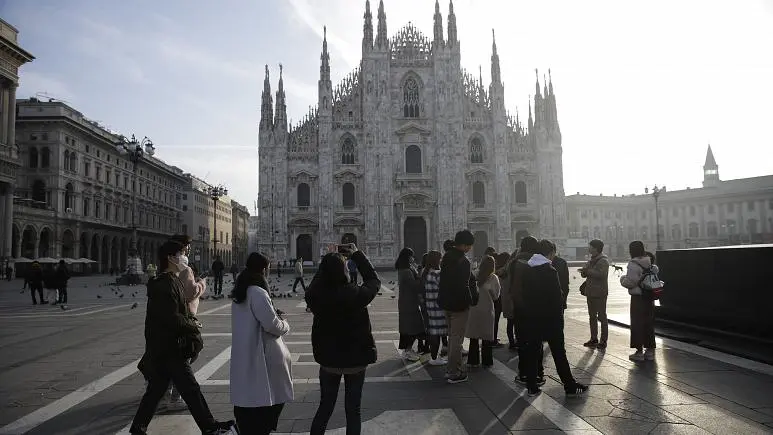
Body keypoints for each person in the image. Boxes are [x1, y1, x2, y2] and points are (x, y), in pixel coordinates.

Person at [129, 241, 234, 435]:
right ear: (170, 257)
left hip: (166, 346)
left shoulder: (172, 280)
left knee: (156, 390)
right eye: (182, 253)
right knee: (190, 389)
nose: (184, 257)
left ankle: (138, 428)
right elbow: (171, 317)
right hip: (170, 347)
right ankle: (209, 427)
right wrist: (193, 324)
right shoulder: (163, 283)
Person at [306, 243, 381, 435]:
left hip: (329, 361)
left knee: (325, 408)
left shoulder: (315, 295)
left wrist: (327, 262)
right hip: (355, 362)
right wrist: (357, 255)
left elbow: (315, 284)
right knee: (353, 410)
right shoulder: (357, 294)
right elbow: (373, 280)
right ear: (344, 271)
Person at [230, 252, 292, 434]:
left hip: (245, 351)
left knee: (249, 398)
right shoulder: (258, 292)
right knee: (274, 396)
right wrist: (285, 325)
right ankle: (264, 429)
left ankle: (250, 428)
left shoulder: (240, 292)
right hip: (262, 352)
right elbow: (272, 325)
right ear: (264, 269)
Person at [521, 239, 588, 397]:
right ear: (550, 253)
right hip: (551, 319)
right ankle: (569, 385)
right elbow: (557, 297)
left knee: (533, 351)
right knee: (559, 352)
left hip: (532, 317)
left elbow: (524, 294)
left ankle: (532, 385)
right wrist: (558, 318)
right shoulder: (549, 270)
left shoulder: (527, 269)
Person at [438, 230, 479, 384]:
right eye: (469, 245)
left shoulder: (446, 257)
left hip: (446, 303)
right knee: (457, 339)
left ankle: (450, 369)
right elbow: (464, 285)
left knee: (451, 336)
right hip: (459, 305)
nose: (469, 248)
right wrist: (470, 301)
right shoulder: (464, 261)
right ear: (464, 244)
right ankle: (454, 372)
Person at [507, 236, 539, 382]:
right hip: (534, 308)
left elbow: (512, 287)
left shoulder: (514, 263)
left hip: (520, 308)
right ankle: (536, 374)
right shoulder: (539, 262)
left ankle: (523, 373)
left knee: (522, 342)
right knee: (534, 342)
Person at [620, 242, 657, 362]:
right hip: (649, 297)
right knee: (649, 323)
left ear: (632, 251)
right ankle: (650, 351)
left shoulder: (633, 264)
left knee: (637, 324)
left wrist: (622, 280)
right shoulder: (649, 261)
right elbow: (655, 271)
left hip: (638, 298)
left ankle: (639, 352)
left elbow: (631, 282)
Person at [465, 255, 500, 368]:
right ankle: (487, 360)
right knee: (486, 338)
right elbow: (496, 297)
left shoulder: (475, 274)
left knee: (474, 337)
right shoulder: (493, 278)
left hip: (474, 309)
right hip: (487, 310)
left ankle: (473, 361)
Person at [579, 239, 610, 349]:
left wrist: (588, 271)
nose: (589, 248)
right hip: (590, 292)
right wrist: (583, 271)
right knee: (592, 316)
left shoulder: (603, 261)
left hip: (600, 293)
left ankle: (603, 340)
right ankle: (593, 338)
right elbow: (585, 275)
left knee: (602, 316)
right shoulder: (591, 260)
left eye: (590, 246)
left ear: (596, 248)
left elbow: (602, 274)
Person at [395, 247, 425, 362]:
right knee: (412, 327)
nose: (413, 258)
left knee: (410, 327)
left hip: (407, 302)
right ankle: (407, 351)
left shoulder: (405, 269)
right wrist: (421, 274)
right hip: (409, 303)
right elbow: (415, 286)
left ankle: (408, 349)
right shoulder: (406, 271)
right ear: (407, 257)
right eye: (411, 256)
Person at [421, 250, 448, 365]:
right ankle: (434, 358)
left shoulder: (425, 272)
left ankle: (434, 357)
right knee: (437, 333)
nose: (441, 260)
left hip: (430, 306)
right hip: (438, 308)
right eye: (440, 258)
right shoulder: (437, 273)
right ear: (437, 260)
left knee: (433, 332)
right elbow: (444, 288)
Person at [495, 252, 515, 350]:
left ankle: (512, 342)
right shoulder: (511, 271)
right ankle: (514, 342)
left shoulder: (499, 272)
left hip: (505, 300)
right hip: (513, 300)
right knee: (515, 323)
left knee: (510, 323)